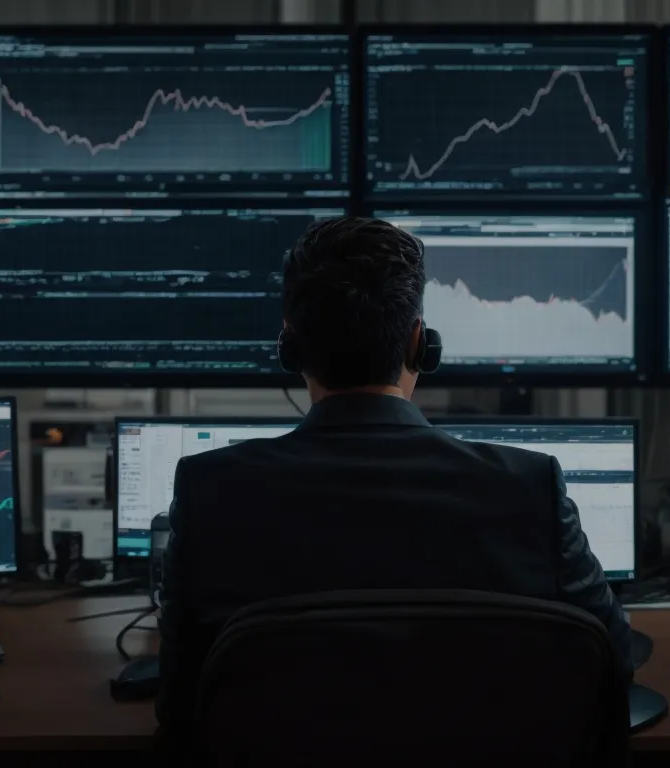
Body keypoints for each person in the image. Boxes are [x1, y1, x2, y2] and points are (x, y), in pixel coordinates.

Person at [154, 216, 633, 739]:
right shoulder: (528, 485)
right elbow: (612, 661)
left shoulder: (212, 490)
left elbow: (179, 702)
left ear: (289, 347)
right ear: (419, 344)